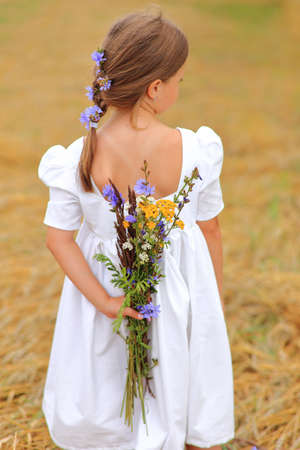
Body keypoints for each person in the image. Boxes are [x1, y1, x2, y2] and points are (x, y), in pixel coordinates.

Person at [38, 8, 235, 450]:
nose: (181, 87)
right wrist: (209, 304)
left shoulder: (77, 158)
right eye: (180, 79)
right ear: (155, 87)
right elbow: (211, 230)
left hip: (109, 298)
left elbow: (58, 239)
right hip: (181, 294)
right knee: (176, 382)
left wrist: (107, 301)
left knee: (109, 389)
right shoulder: (198, 151)